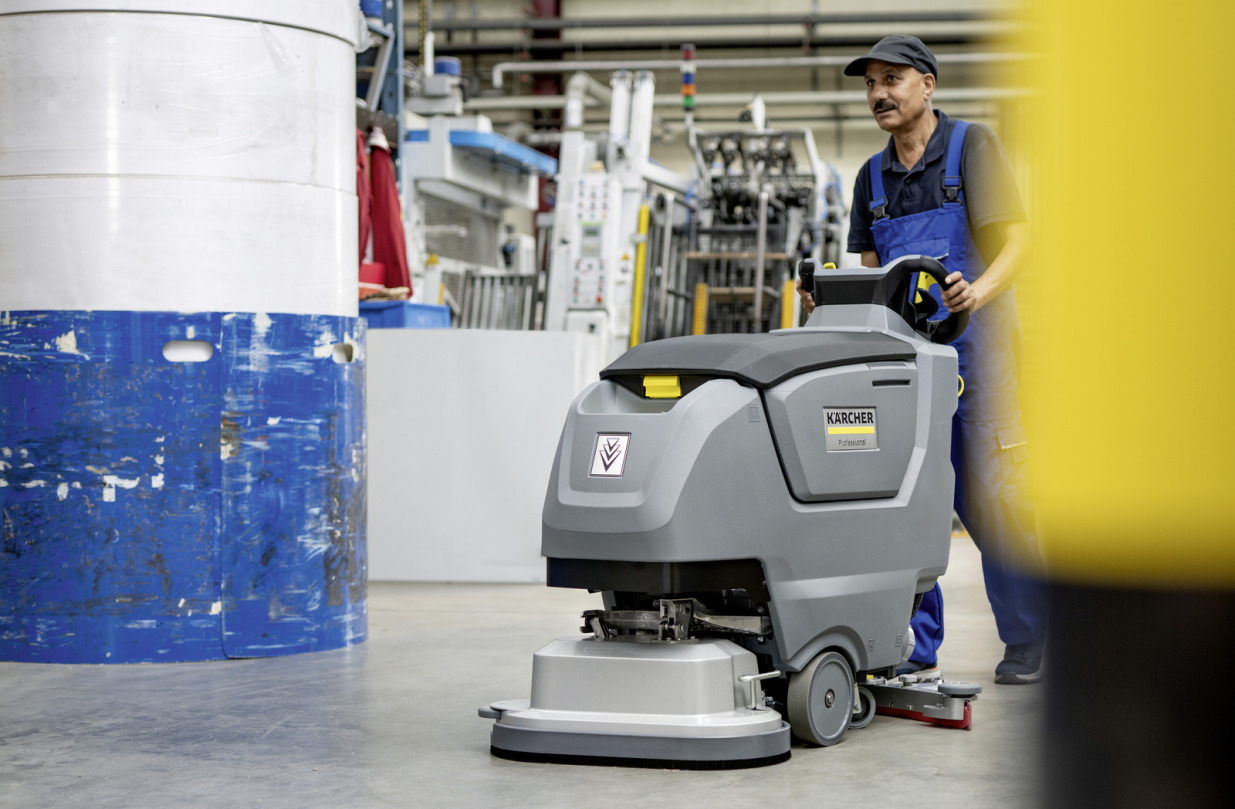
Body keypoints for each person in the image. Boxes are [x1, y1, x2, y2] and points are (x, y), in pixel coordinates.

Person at [800, 35, 1045, 684]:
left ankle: (1029, 636)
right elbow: (872, 277)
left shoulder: (971, 147)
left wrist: (976, 292)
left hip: (980, 360)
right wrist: (827, 296)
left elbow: (1019, 241)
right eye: (869, 83)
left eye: (892, 79)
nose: (878, 93)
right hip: (906, 367)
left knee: (994, 500)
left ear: (927, 84)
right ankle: (913, 642)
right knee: (909, 504)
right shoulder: (870, 178)